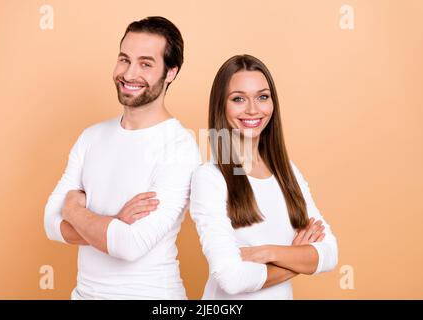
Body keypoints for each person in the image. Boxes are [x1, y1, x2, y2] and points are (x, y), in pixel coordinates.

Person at [44, 16, 200, 300]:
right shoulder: (91, 136)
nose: (129, 74)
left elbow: (130, 245)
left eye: (146, 64)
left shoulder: (180, 146)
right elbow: (50, 223)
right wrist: (113, 223)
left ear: (171, 73)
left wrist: (74, 210)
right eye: (124, 59)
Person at [190, 54, 338, 299]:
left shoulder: (287, 171)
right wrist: (299, 257)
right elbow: (231, 279)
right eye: (238, 99)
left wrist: (267, 253)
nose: (253, 109)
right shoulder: (210, 178)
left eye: (262, 97)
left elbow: (330, 253)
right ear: (221, 105)